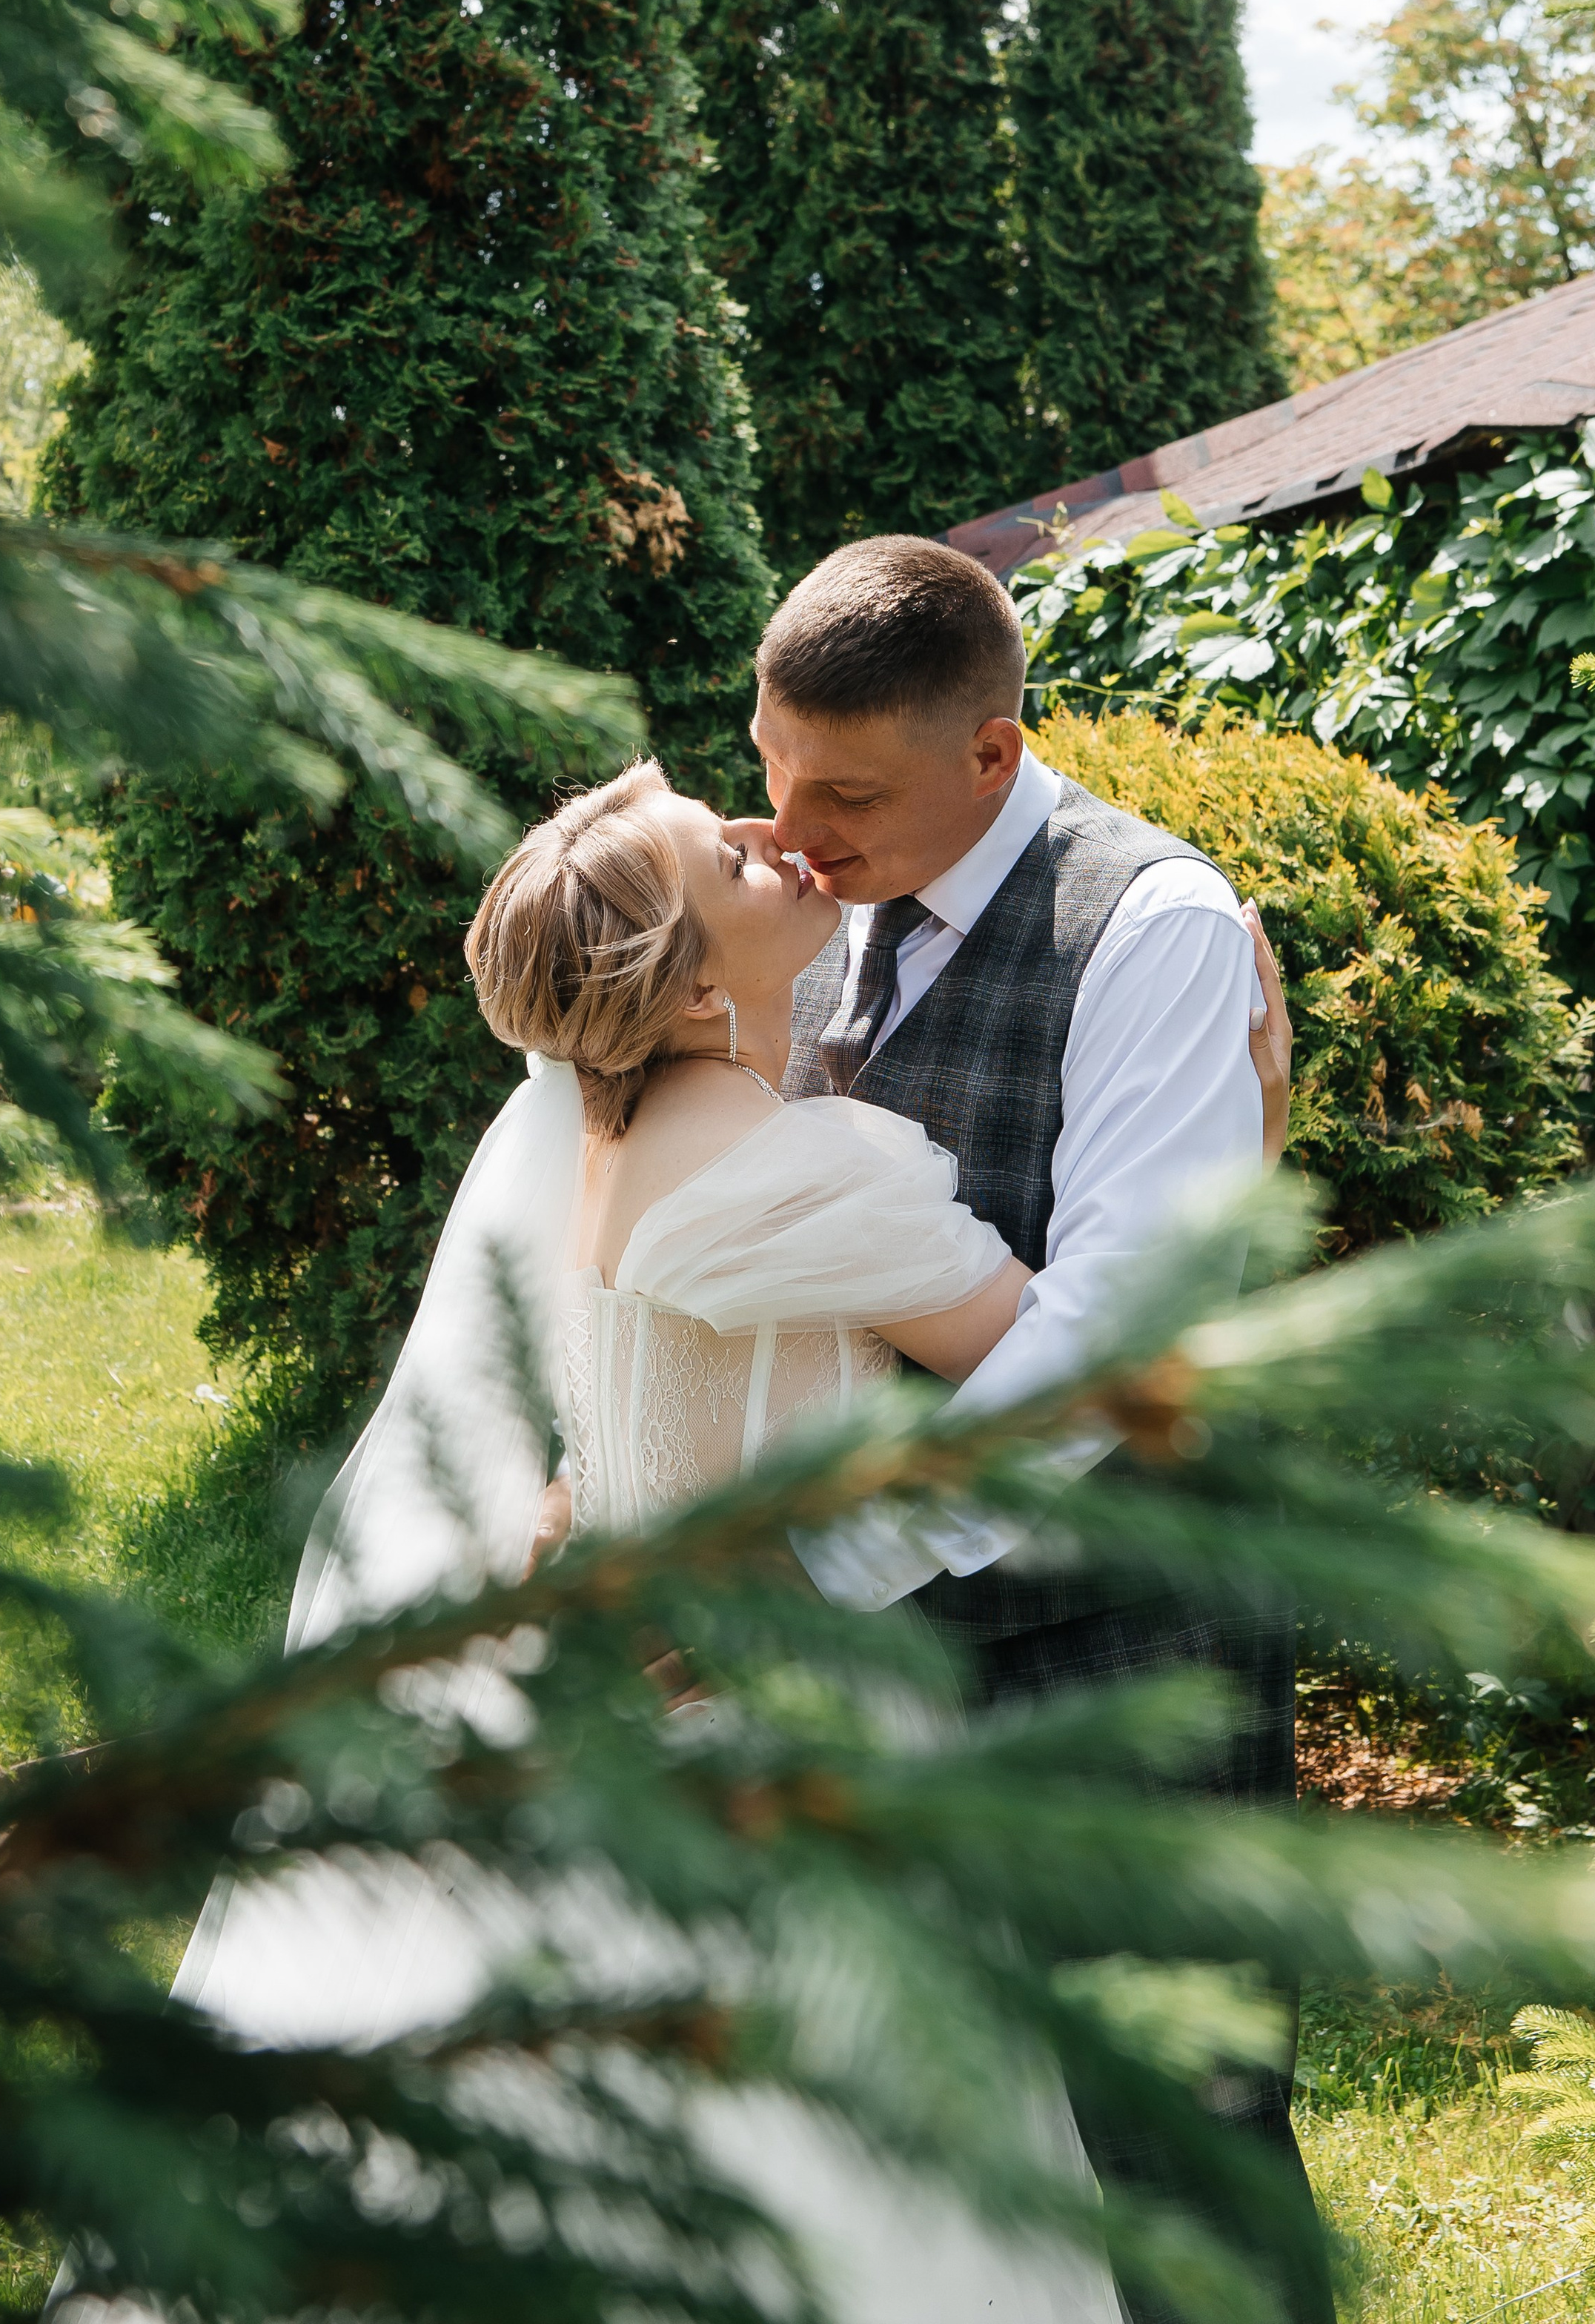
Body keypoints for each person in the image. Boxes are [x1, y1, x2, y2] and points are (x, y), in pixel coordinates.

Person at [148, 718, 1292, 2324]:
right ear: (690, 989)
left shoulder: (599, 1122)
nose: (772, 833)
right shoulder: (786, 1174)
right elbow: (1069, 1357)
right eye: (725, 850)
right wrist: (1244, 1135)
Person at [749, 534, 1331, 2324]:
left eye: (841, 791)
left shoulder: (1146, 922)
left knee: (1178, 2140)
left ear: (988, 755)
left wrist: (817, 1558)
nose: (793, 827)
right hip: (896, 1665)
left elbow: (1110, 1339)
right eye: (774, 774)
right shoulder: (828, 913)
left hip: (1126, 1635)